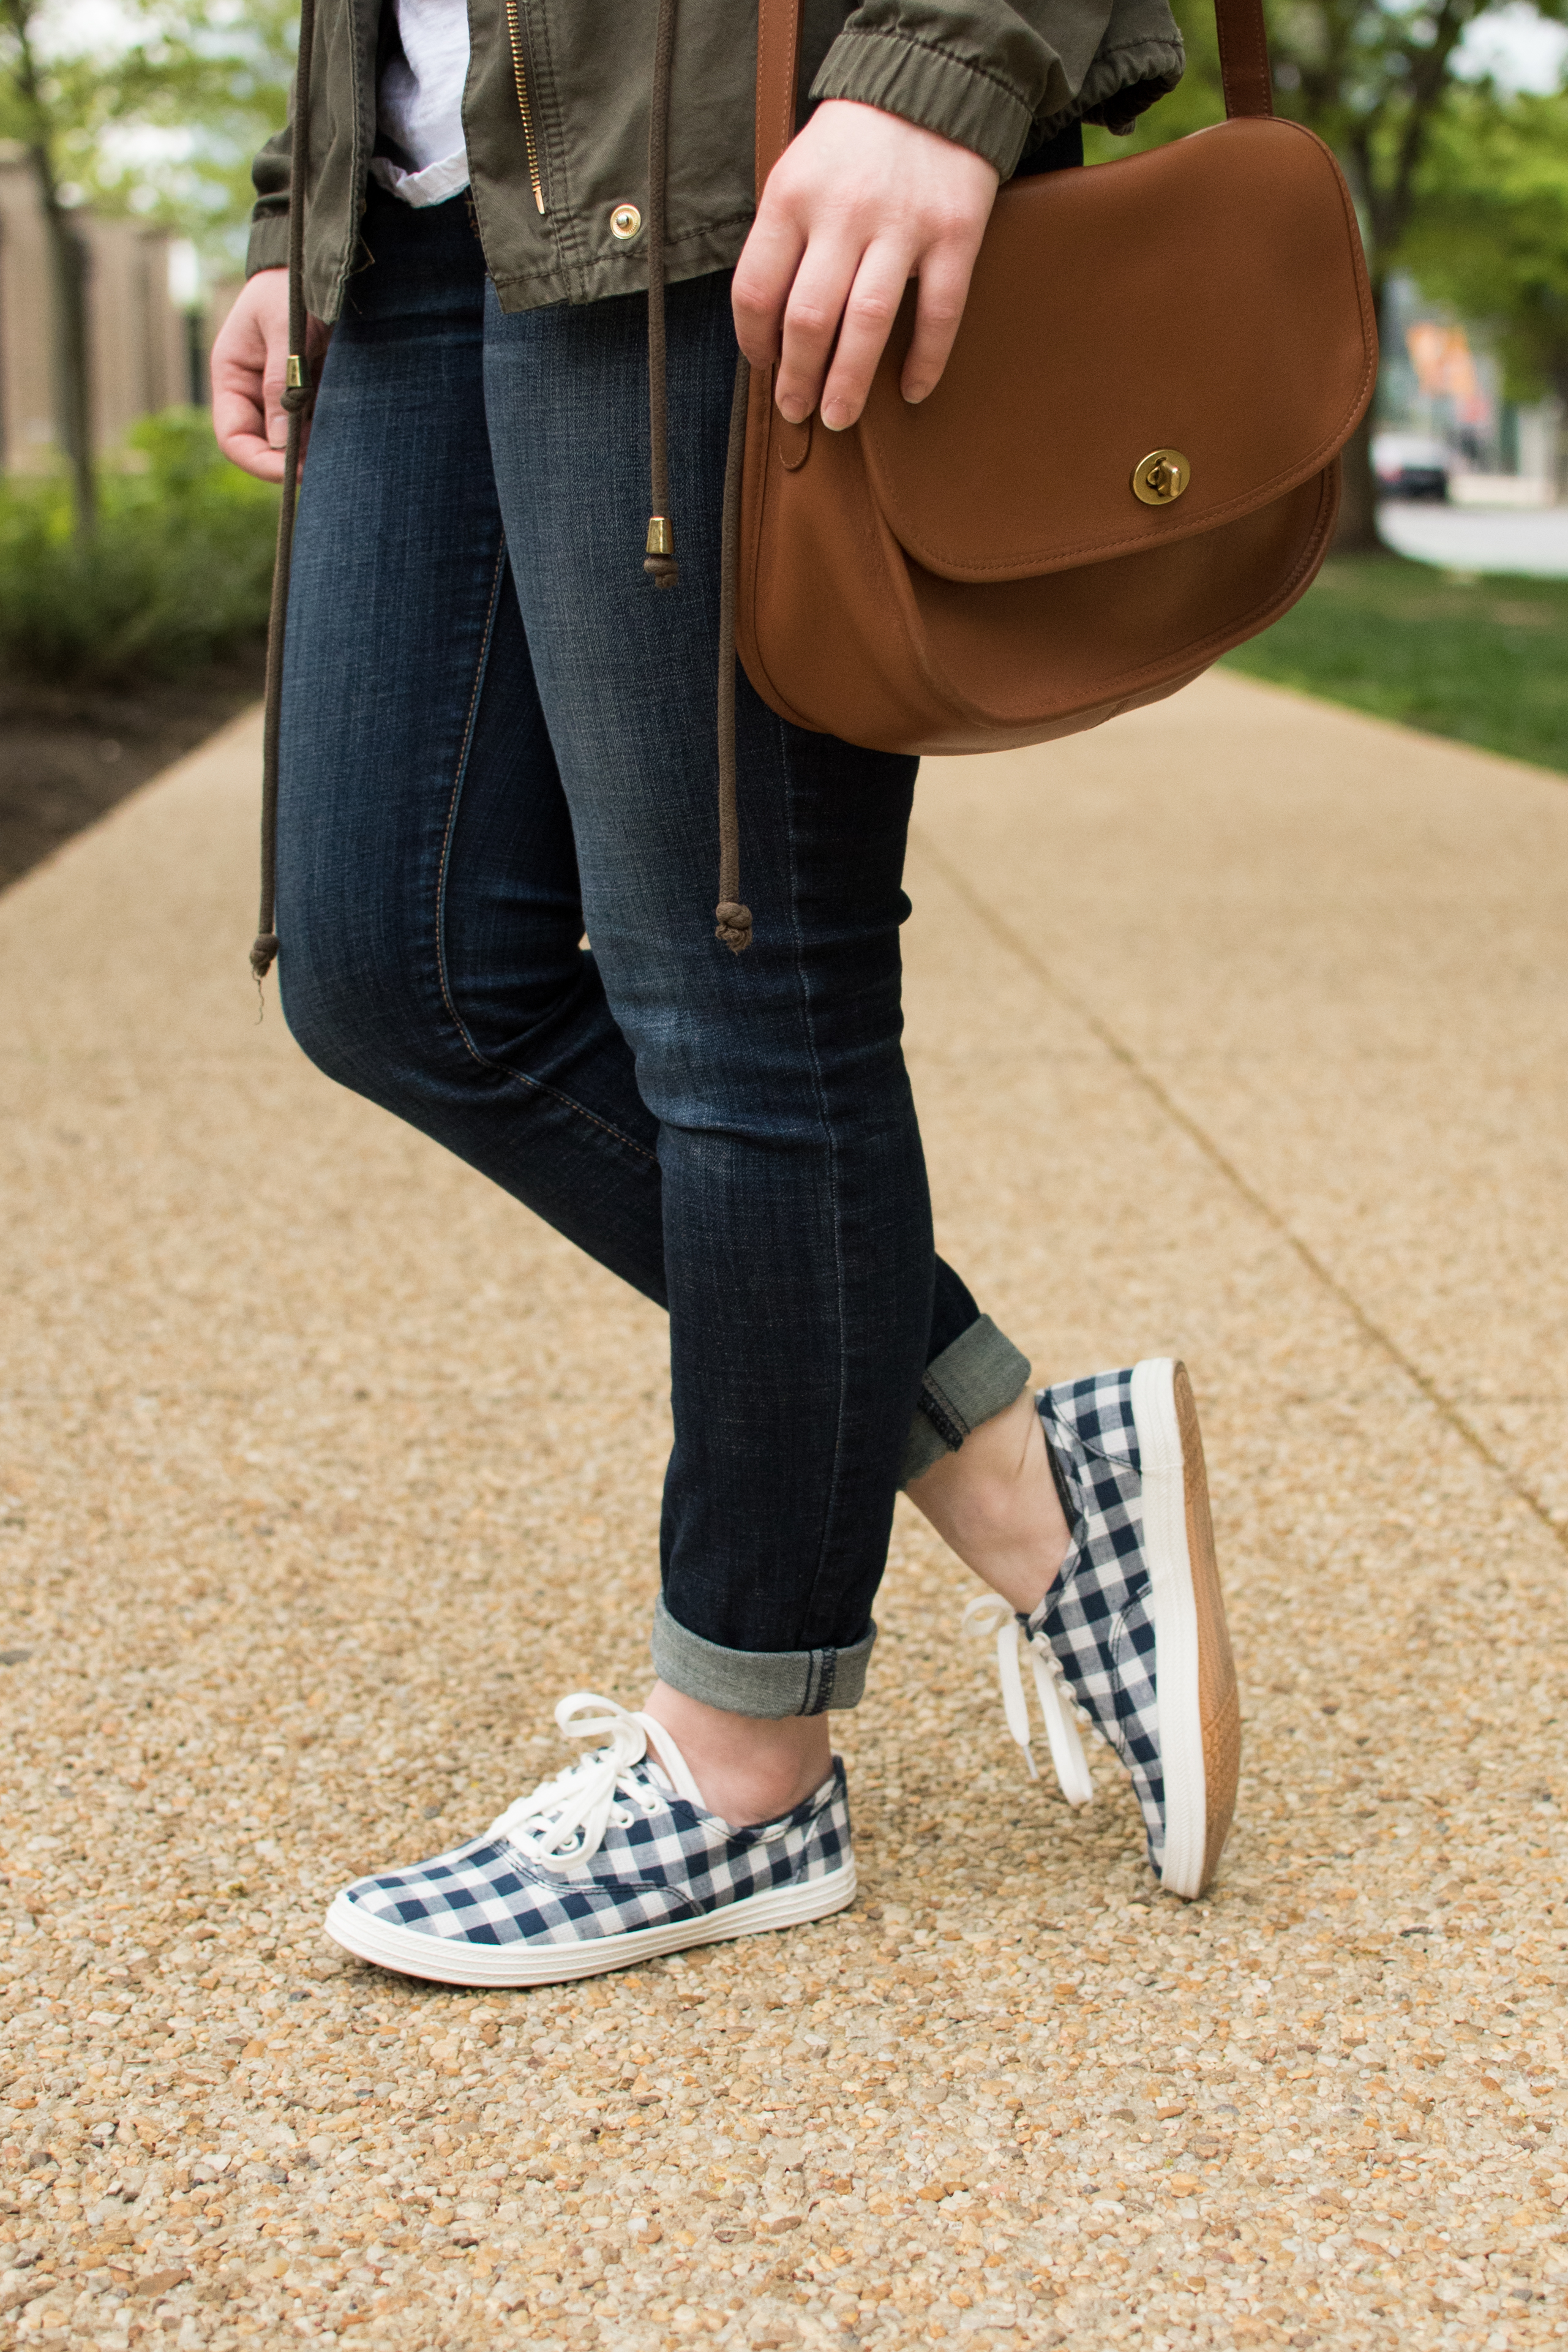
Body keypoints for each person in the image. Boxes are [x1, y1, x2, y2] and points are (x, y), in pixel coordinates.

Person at [211, 0, 1239, 1990]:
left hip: (721, 171)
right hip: (416, 222)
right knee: (391, 974)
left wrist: (950, 60)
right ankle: (1018, 1465)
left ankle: (745, 1767)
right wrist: (300, 200)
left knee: (738, 982)